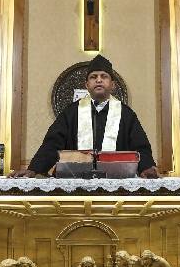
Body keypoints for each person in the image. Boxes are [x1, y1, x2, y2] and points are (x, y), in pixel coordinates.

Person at [10, 54, 159, 178]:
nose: (99, 80)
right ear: (86, 85)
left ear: (113, 85)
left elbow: (141, 147)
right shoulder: (71, 113)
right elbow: (52, 144)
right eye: (94, 77)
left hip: (116, 184)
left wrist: (147, 168)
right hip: (74, 183)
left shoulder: (126, 115)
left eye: (104, 76)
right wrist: (34, 168)